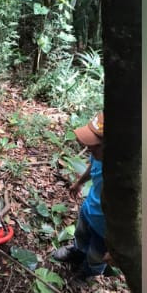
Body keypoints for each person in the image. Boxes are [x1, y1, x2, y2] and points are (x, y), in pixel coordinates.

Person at [51, 111, 109, 278]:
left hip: (106, 230)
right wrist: (79, 182)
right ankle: (77, 251)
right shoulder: (98, 156)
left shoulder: (123, 177)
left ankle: (88, 272)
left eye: (95, 144)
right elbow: (93, 167)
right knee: (81, 235)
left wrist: (116, 251)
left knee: (96, 256)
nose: (88, 147)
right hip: (89, 208)